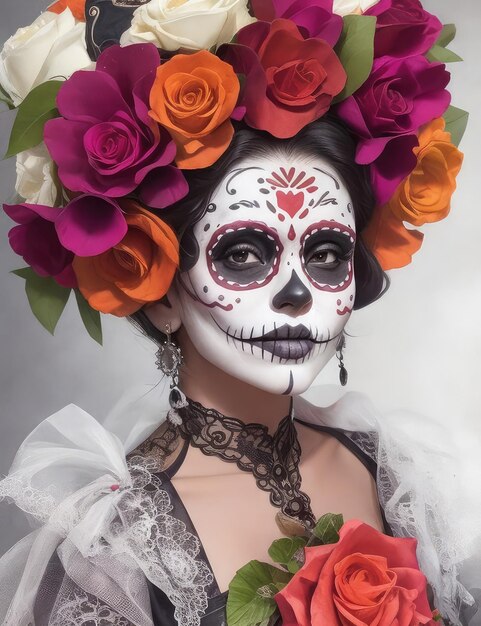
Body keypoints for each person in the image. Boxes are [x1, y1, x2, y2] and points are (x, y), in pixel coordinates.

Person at [0, 0, 479, 625]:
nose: (296, 292)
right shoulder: (114, 544)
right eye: (245, 254)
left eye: (328, 253)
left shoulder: (395, 473)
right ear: (165, 289)